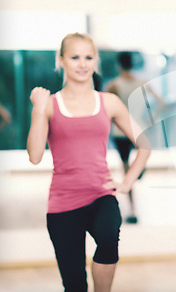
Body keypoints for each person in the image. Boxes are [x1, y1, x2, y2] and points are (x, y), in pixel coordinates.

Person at [27, 33, 151, 292]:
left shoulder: (109, 101)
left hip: (101, 196)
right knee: (74, 286)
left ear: (95, 61)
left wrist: (127, 183)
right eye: (74, 57)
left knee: (108, 238)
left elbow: (144, 145)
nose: (82, 64)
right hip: (62, 205)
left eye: (88, 57)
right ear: (61, 60)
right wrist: (38, 109)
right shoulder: (49, 105)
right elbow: (35, 155)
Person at [105, 51, 155, 224]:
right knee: (142, 154)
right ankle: (139, 169)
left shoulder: (113, 85)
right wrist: (152, 119)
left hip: (120, 132)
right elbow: (160, 101)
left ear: (119, 65)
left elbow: (105, 109)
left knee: (126, 168)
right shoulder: (143, 83)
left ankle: (133, 209)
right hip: (139, 128)